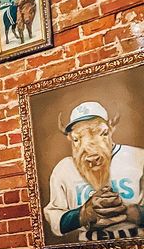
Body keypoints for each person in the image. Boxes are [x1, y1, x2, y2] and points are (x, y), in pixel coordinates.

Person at [44, 101, 144, 241]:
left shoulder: (139, 158)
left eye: (102, 133)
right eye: (77, 139)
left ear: (111, 129)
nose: (91, 154)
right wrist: (84, 214)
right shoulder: (64, 169)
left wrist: (133, 212)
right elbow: (55, 220)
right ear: (70, 138)